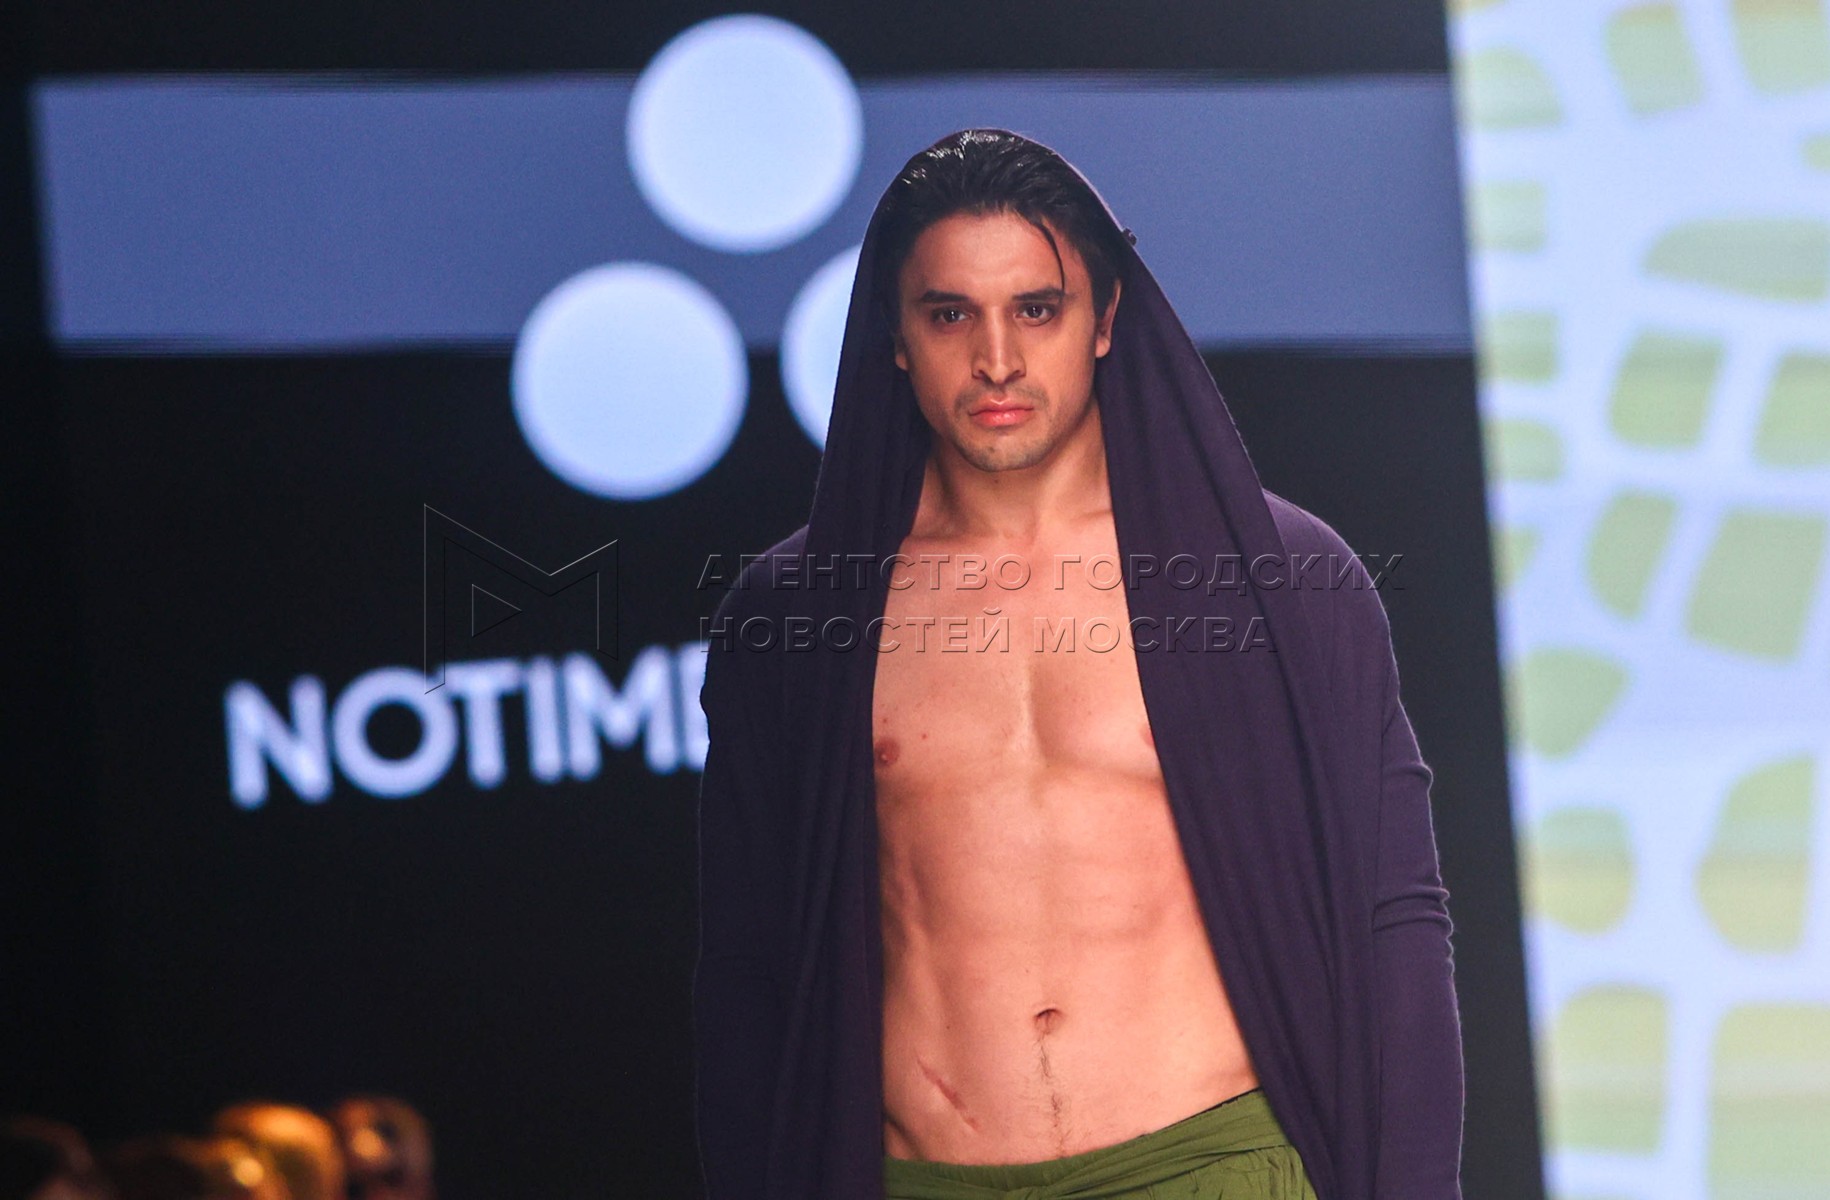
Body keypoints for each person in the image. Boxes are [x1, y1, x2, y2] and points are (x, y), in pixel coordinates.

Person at [692, 128, 1464, 1200]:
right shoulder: (796, 617)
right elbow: (745, 972)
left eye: (1036, 310)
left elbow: (1396, 917)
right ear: (895, 337)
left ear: (1104, 320)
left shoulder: (1282, 578)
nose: (996, 360)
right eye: (950, 314)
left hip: (1211, 1164)